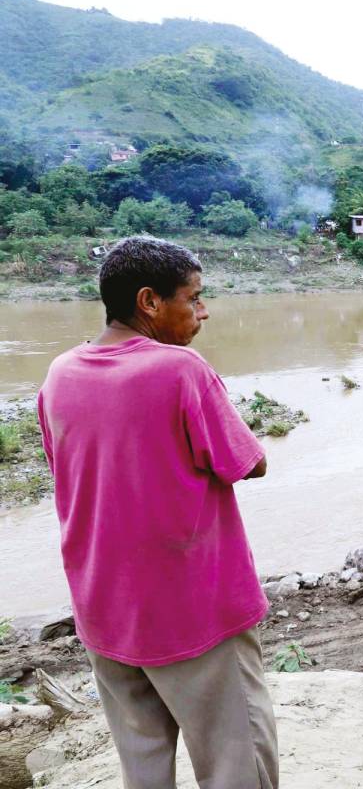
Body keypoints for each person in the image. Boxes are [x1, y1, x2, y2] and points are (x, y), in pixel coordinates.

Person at [37, 236, 278, 788]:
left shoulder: (59, 374)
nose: (203, 310)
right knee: (234, 762)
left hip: (103, 608)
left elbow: (70, 469)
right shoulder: (180, 370)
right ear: (149, 301)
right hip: (192, 608)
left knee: (142, 762)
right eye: (193, 298)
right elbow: (249, 463)